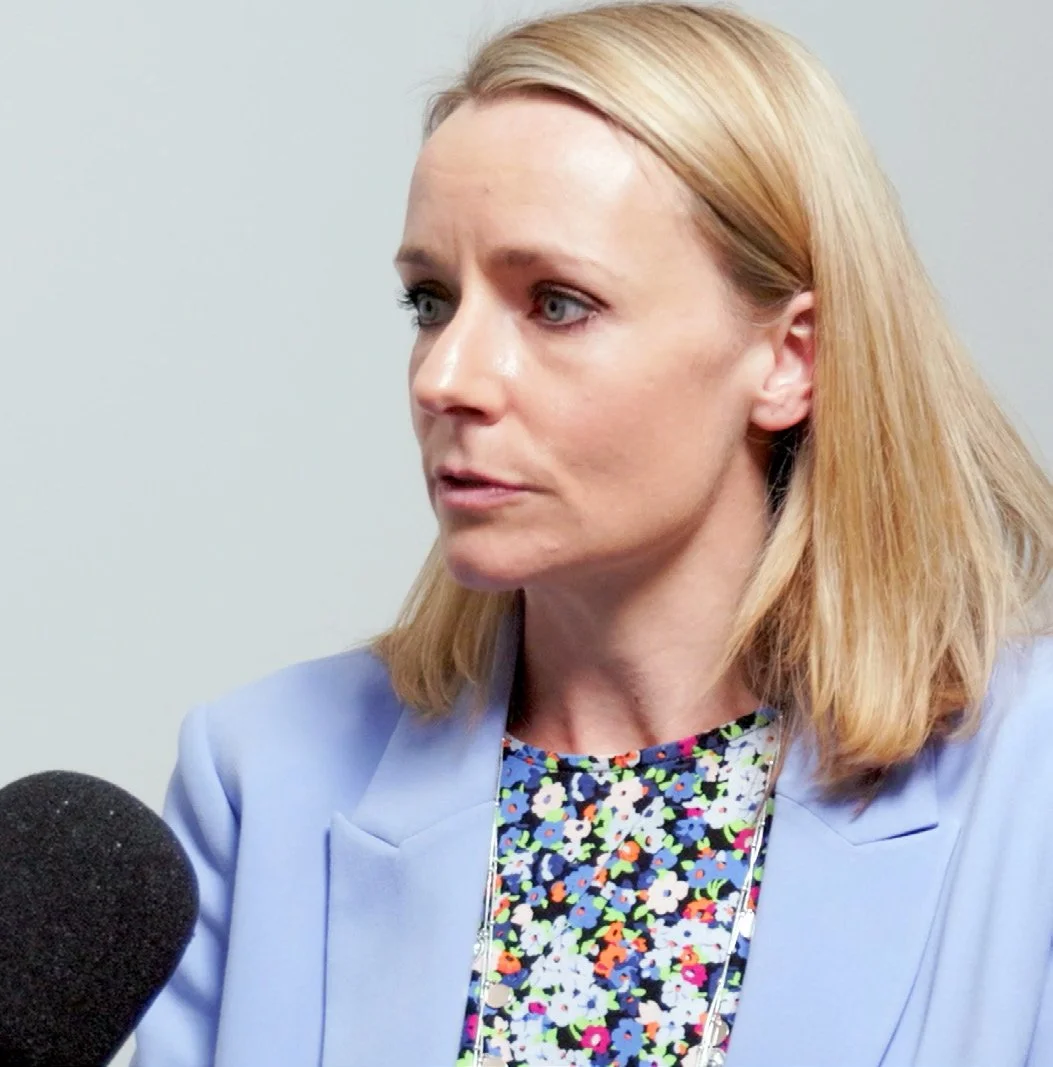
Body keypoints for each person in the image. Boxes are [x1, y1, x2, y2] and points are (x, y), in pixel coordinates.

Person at [131, 3, 1053, 1066]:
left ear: (788, 357)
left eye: (556, 303)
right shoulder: (264, 776)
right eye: (430, 301)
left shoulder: (1025, 788)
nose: (446, 378)